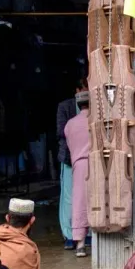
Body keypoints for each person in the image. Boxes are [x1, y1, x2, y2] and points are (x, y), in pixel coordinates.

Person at [57, 78, 87, 250]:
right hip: (69, 157)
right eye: (83, 88)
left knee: (88, 197)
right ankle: (70, 235)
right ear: (76, 90)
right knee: (69, 199)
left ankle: (87, 234)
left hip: (86, 159)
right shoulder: (65, 107)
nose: (85, 91)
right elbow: (60, 130)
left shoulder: (96, 107)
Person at [63, 91, 92, 258]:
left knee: (79, 203)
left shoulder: (70, 124)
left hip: (78, 165)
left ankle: (80, 244)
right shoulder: (96, 121)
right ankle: (98, 240)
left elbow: (69, 144)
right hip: (96, 164)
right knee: (98, 201)